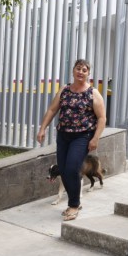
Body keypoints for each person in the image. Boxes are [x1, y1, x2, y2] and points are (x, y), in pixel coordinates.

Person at [37, 59, 106, 221]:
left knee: (72, 169)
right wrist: (42, 128)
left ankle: (74, 205)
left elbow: (102, 118)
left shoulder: (93, 93)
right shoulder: (65, 90)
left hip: (82, 136)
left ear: (88, 73)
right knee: (64, 170)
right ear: (73, 71)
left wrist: (95, 138)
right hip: (63, 135)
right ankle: (75, 202)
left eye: (84, 69)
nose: (81, 72)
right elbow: (52, 109)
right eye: (78, 68)